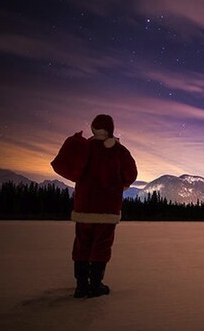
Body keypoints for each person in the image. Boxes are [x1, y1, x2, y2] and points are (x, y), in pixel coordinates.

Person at [51, 114, 137, 298]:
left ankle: (81, 286)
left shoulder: (85, 148)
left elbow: (73, 169)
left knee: (82, 244)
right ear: (111, 129)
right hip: (107, 208)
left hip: (84, 206)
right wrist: (121, 183)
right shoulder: (119, 151)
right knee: (102, 245)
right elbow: (131, 173)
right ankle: (96, 285)